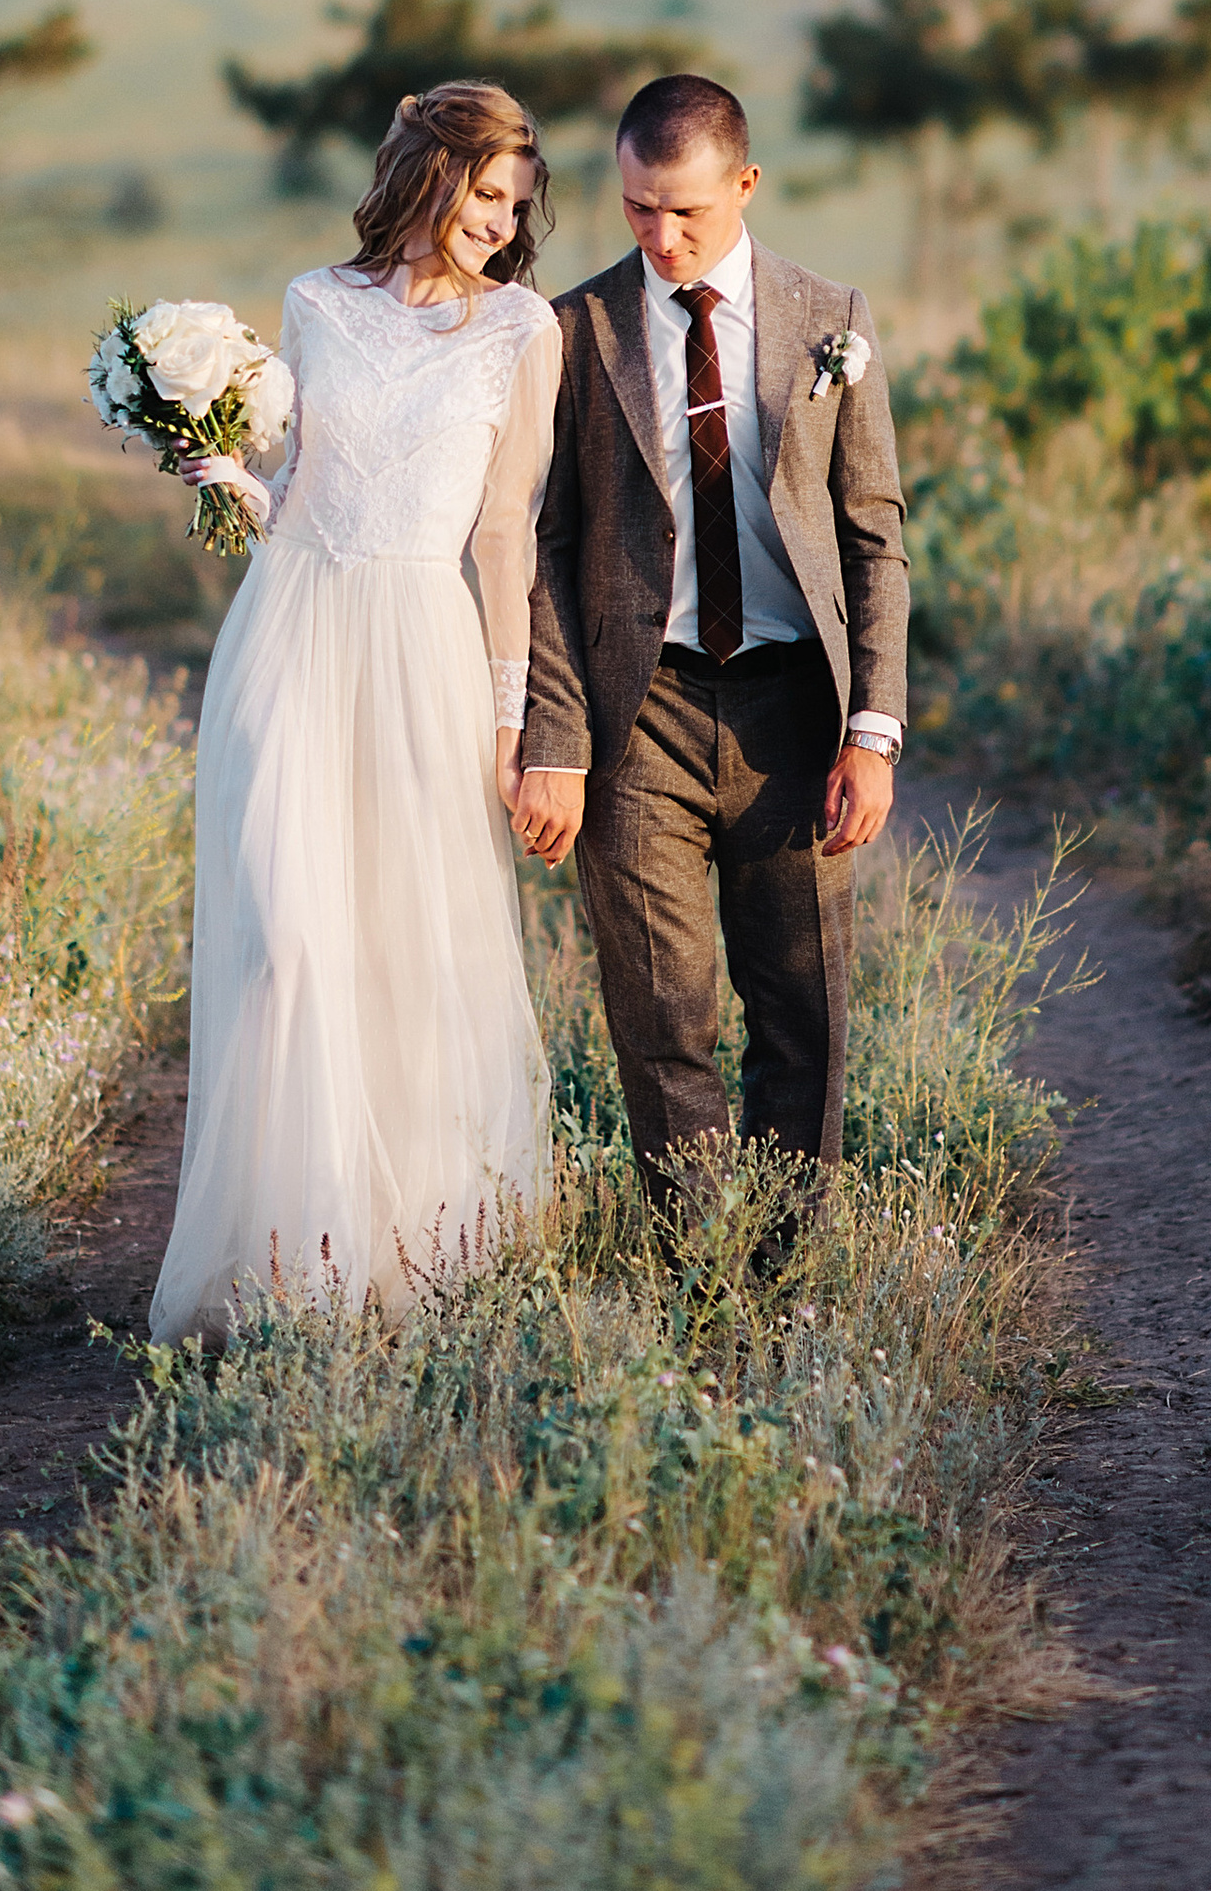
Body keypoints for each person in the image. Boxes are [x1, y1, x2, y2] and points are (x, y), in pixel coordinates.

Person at [148, 80, 562, 1344]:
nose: (499, 222)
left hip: (424, 648)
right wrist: (231, 479)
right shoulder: (315, 302)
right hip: (290, 629)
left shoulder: (522, 329)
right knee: (282, 935)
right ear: (429, 173)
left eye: (515, 205)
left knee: (405, 941)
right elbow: (302, 486)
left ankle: (411, 1250)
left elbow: (504, 534)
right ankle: (292, 1257)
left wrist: (513, 716)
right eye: (486, 193)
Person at [513, 73, 909, 1213]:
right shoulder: (575, 329)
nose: (661, 235)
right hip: (641, 713)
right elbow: (545, 547)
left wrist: (873, 731)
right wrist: (559, 737)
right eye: (638, 207)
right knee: (660, 1016)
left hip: (795, 714)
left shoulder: (829, 319)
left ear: (746, 184)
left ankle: (785, 1265)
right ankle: (701, 1274)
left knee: (800, 1010)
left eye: (685, 209)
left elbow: (874, 537)